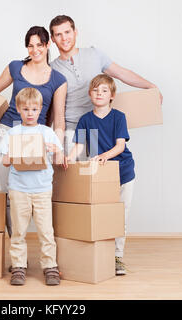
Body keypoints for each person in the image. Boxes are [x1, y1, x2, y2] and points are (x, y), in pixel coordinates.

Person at [0, 26, 67, 237]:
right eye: (30, 45)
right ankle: (15, 244)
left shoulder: (58, 80)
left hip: (36, 138)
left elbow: (59, 118)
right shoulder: (15, 67)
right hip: (7, 131)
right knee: (9, 190)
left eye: (39, 45)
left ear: (47, 46)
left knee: (34, 190)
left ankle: (35, 241)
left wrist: (59, 149)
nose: (34, 50)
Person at [48, 15, 163, 155]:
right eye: (58, 34)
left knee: (103, 174)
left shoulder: (94, 54)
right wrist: (56, 146)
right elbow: (55, 113)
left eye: (67, 32)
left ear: (75, 32)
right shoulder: (51, 69)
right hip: (72, 133)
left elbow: (121, 73)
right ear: (52, 39)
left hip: (101, 129)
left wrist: (151, 87)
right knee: (73, 175)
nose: (64, 38)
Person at [64, 74, 135, 275]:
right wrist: (69, 158)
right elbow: (79, 145)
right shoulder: (85, 120)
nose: (99, 94)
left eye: (104, 91)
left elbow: (120, 146)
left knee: (120, 217)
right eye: (95, 90)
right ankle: (101, 254)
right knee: (100, 216)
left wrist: (104, 155)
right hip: (100, 176)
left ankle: (117, 257)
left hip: (123, 173)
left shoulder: (118, 117)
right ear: (90, 94)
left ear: (112, 95)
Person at [0, 87, 64, 286]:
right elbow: (5, 161)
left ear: (40, 109)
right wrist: (11, 155)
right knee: (18, 231)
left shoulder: (47, 132)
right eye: (26, 109)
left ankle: (50, 265)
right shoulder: (13, 133)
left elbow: (59, 158)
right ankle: (18, 266)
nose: (30, 113)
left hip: (42, 189)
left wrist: (54, 151)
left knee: (46, 231)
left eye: (34, 109)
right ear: (18, 109)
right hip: (19, 189)